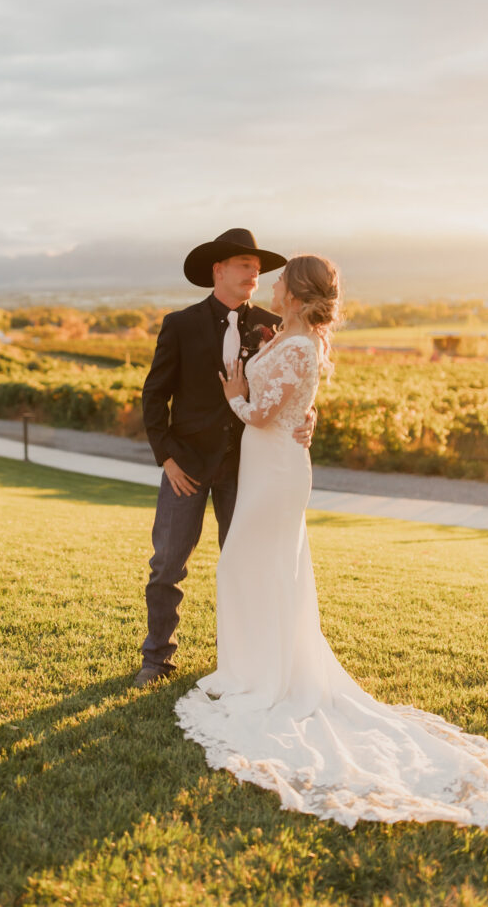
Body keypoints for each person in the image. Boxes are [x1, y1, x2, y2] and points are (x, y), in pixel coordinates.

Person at [175, 254, 488, 827]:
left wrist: (235, 394)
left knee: (250, 564)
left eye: (278, 280)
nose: (270, 285)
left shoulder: (298, 347)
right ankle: (253, 667)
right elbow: (299, 404)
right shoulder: (287, 337)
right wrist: (288, 403)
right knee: (258, 568)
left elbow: (264, 413)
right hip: (269, 466)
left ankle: (264, 677)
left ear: (295, 294)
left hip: (277, 471)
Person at [135, 229, 315, 689]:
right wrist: (167, 460)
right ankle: (156, 660)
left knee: (248, 566)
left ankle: (246, 662)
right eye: (243, 264)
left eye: (258, 267)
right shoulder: (180, 324)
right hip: (188, 466)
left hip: (248, 471)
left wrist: (310, 414)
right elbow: (154, 397)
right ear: (218, 270)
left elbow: (296, 382)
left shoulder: (274, 325)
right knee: (167, 566)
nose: (254, 272)